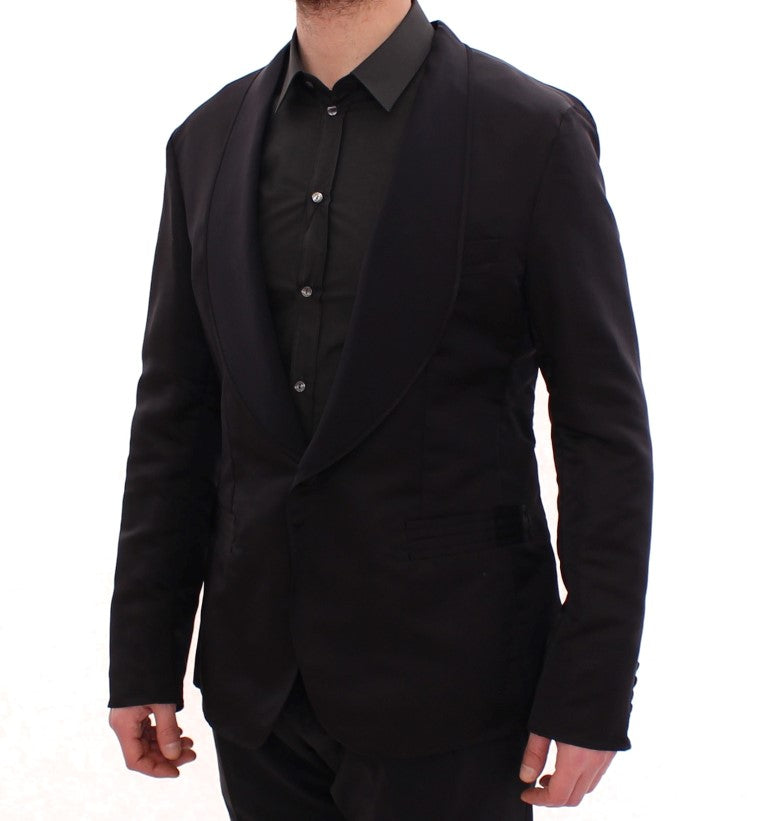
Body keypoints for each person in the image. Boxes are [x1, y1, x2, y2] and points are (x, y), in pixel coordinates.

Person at [107, 0, 654, 818]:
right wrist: (143, 654)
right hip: (259, 693)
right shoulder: (205, 140)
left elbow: (601, 430)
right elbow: (175, 414)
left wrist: (595, 684)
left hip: (457, 688)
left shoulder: (532, 134)